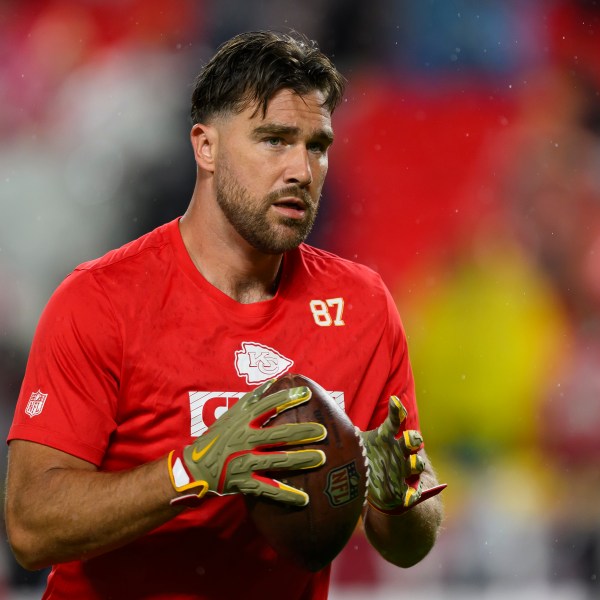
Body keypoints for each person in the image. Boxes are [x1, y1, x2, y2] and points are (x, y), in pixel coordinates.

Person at [4, 30, 444, 599]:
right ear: (205, 146)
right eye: (274, 140)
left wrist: (397, 501)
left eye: (317, 145)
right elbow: (30, 528)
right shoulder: (100, 302)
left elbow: (407, 544)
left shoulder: (362, 307)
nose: (301, 171)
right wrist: (194, 469)